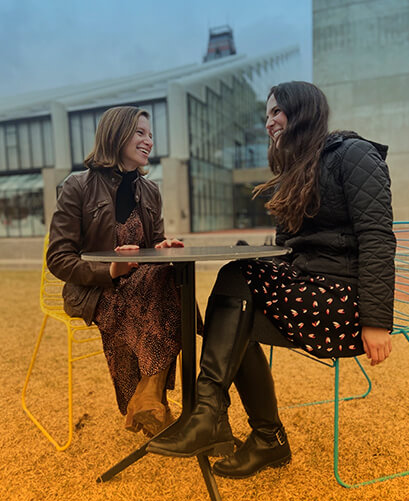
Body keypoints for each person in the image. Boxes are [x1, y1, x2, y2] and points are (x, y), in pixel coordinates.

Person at [146, 81, 396, 478]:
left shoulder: (355, 155)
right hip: (308, 292)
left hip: (344, 303)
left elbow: (378, 237)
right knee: (232, 317)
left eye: (276, 112)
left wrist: (377, 321)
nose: (268, 123)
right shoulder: (296, 172)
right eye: (267, 115)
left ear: (302, 111)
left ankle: (211, 415)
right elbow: (289, 249)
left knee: (236, 282)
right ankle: (265, 439)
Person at [47, 106, 184, 438]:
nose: (148, 141)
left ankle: (147, 398)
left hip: (146, 286)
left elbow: (151, 248)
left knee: (170, 280)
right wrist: (110, 270)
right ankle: (152, 401)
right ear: (116, 134)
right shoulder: (77, 186)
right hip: (97, 291)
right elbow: (58, 258)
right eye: (140, 133)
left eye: (150, 134)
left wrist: (161, 249)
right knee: (174, 297)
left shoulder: (150, 191)